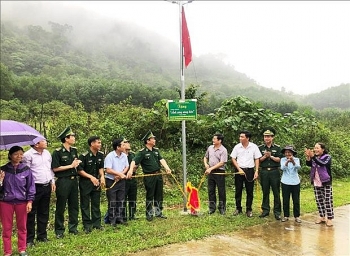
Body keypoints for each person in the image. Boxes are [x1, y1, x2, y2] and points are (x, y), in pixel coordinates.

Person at [127, 130, 172, 221]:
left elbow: (161, 159)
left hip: (158, 174)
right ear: (148, 141)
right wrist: (131, 170)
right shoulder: (142, 152)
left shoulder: (156, 150)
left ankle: (158, 212)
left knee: (159, 194)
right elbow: (133, 161)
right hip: (149, 176)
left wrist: (167, 168)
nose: (154, 140)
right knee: (150, 195)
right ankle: (149, 213)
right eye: (153, 139)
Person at [0, 146, 35, 256]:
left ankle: (22, 249)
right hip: (6, 202)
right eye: (16, 154)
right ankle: (7, 251)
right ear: (10, 155)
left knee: (22, 226)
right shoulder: (3, 169)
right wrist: (0, 180)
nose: (19, 156)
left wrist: (30, 201)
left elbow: (31, 187)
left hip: (22, 201)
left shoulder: (26, 169)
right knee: (6, 228)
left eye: (21, 154)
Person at [22, 139, 56, 247]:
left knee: (44, 212)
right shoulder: (28, 155)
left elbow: (50, 169)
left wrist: (52, 181)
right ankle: (29, 239)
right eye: (43, 141)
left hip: (46, 185)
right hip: (34, 187)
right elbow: (26, 172)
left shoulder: (47, 153)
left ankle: (42, 236)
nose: (46, 142)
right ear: (36, 144)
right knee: (31, 213)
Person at [51, 126, 81, 239]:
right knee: (61, 206)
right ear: (66, 138)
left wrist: (76, 164)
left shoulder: (74, 150)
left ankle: (73, 228)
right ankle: (59, 230)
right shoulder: (57, 152)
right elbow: (55, 168)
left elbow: (75, 164)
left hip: (74, 181)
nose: (74, 138)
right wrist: (71, 166)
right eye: (72, 136)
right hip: (63, 181)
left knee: (74, 205)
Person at [230, 130, 262, 217]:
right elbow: (233, 158)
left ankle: (249, 209)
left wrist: (256, 171)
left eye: (242, 137)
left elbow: (257, 158)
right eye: (240, 136)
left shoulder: (254, 147)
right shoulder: (237, 147)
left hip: (250, 170)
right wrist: (238, 168)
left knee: (249, 191)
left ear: (247, 138)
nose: (240, 138)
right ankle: (238, 208)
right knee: (238, 190)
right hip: (239, 170)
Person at [77, 136, 105, 233]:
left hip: (96, 182)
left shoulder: (100, 155)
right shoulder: (84, 156)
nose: (100, 145)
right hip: (86, 183)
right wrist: (91, 177)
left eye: (100, 143)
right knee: (85, 204)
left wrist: (102, 177)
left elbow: (101, 168)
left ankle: (97, 224)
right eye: (98, 143)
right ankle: (87, 225)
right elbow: (80, 170)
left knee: (96, 203)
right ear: (92, 144)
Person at [305, 142, 334, 227]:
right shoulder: (315, 157)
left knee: (328, 200)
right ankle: (322, 217)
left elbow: (322, 163)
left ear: (323, 149)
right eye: (315, 148)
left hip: (326, 181)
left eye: (317, 148)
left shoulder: (327, 157)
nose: (315, 149)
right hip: (316, 181)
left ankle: (329, 218)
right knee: (319, 200)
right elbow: (309, 164)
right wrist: (308, 157)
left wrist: (313, 156)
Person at [258, 128, 282, 220]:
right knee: (265, 191)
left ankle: (277, 212)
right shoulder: (260, 148)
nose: (267, 138)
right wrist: (264, 156)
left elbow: (279, 159)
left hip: (274, 171)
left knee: (276, 192)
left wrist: (271, 156)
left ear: (272, 137)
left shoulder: (277, 148)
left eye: (268, 136)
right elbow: (258, 160)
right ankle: (265, 210)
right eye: (265, 136)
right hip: (264, 171)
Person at [104, 138, 129, 227]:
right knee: (112, 201)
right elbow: (108, 170)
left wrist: (121, 175)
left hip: (121, 181)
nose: (124, 146)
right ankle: (112, 220)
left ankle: (120, 218)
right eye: (122, 145)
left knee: (121, 200)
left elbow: (127, 167)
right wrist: (118, 174)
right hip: (111, 181)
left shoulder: (124, 155)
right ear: (118, 147)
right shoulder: (110, 156)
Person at [203, 133, 228, 215]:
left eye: (214, 139)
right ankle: (212, 208)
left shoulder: (223, 150)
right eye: (213, 139)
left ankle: (222, 208)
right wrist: (206, 164)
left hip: (219, 172)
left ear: (219, 140)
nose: (213, 140)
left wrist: (211, 168)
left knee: (221, 190)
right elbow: (205, 157)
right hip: (211, 172)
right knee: (211, 190)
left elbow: (222, 163)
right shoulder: (210, 148)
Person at [280, 145, 301, 223]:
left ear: (292, 153)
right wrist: (287, 162)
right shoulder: (282, 160)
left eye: (289, 152)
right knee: (285, 199)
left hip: (295, 181)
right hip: (285, 181)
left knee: (296, 199)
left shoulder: (297, 159)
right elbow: (282, 168)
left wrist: (293, 161)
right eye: (286, 152)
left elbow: (298, 167)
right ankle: (286, 216)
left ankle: (297, 216)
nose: (287, 154)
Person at [122, 138, 139, 221]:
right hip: (123, 179)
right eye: (126, 142)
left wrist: (131, 169)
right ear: (122, 145)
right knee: (123, 198)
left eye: (128, 142)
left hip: (132, 178)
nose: (128, 143)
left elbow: (136, 165)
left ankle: (132, 215)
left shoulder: (133, 154)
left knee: (133, 198)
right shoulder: (120, 155)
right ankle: (123, 216)